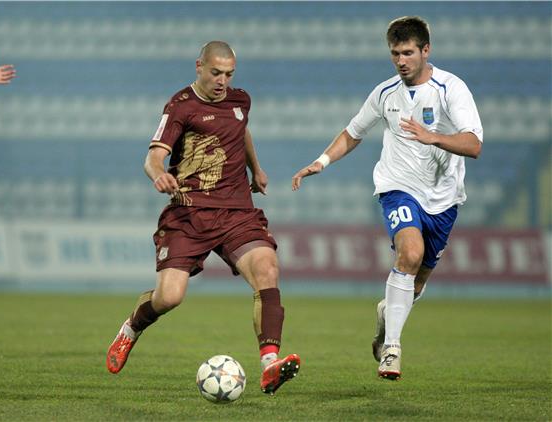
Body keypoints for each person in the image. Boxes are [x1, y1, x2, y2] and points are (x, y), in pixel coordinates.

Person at [292, 16, 482, 380]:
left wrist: (434, 137)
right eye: (395, 53)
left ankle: (386, 315)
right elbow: (353, 132)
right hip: (398, 187)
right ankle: (392, 348)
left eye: (408, 52)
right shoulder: (384, 94)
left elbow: (473, 145)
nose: (401, 61)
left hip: (443, 199)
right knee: (409, 253)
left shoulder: (451, 89)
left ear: (426, 50)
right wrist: (321, 161)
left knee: (418, 280)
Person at [107, 41, 300, 395]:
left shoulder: (241, 101)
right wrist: (159, 175)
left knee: (267, 269)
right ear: (199, 66)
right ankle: (131, 327)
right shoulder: (181, 106)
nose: (222, 81)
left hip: (235, 209)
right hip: (188, 212)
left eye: (228, 74)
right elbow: (152, 157)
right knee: (169, 297)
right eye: (216, 73)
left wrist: (256, 168)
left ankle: (270, 364)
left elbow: (241, 131)